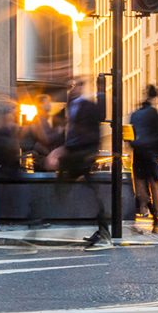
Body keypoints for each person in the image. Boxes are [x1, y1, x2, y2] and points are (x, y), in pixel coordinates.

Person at [59, 78, 111, 251]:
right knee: (67, 188)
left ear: (81, 88)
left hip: (84, 154)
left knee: (88, 192)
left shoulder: (87, 106)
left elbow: (100, 118)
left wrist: (101, 90)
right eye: (70, 86)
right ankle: (103, 231)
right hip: (73, 154)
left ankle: (104, 233)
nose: (72, 89)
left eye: (75, 85)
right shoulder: (70, 106)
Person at [130, 85, 158, 231]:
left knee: (140, 184)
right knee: (154, 183)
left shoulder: (135, 114)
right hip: (151, 153)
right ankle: (156, 212)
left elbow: (130, 134)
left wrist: (134, 145)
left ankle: (144, 206)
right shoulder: (154, 113)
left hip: (138, 152)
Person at [24, 94, 64, 172]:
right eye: (47, 102)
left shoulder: (43, 119)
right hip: (42, 159)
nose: (50, 105)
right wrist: (58, 131)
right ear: (41, 105)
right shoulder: (39, 119)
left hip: (45, 157)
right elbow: (45, 139)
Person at [0, 101, 22, 179]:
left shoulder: (6, 130)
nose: (16, 115)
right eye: (15, 112)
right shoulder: (5, 131)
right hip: (6, 171)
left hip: (7, 169)